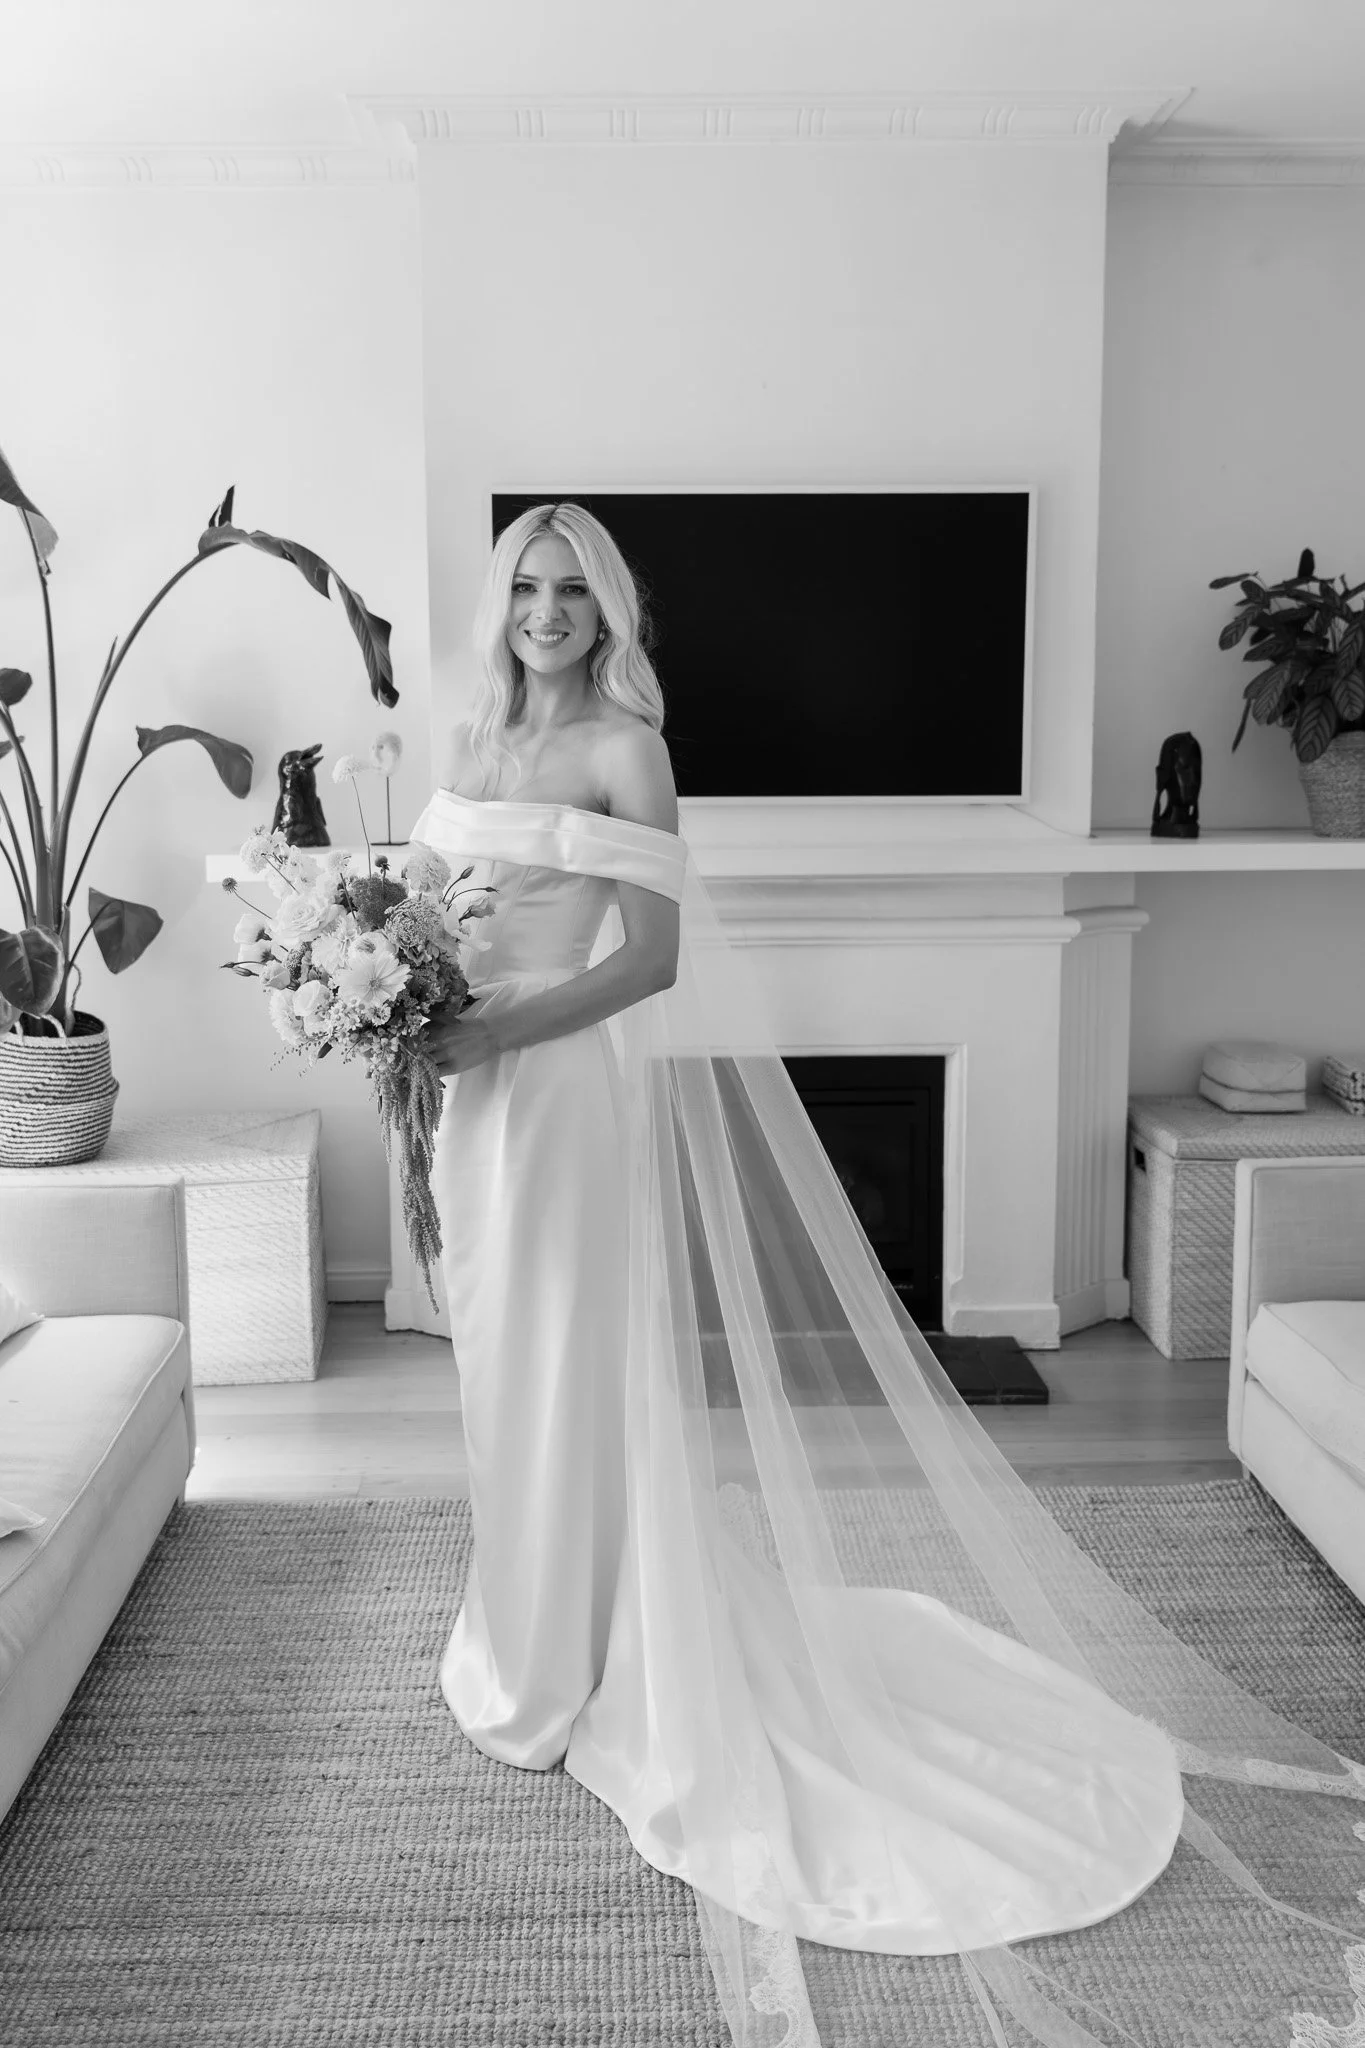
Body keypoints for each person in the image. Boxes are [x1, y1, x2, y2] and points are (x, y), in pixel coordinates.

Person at [406, 503, 1365, 2048]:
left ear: (612, 609)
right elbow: (426, 918)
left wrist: (492, 1032)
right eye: (527, 586)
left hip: (556, 1095)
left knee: (570, 1360)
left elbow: (649, 961)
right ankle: (523, 1628)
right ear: (499, 600)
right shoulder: (472, 737)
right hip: (468, 1102)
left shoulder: (626, 749)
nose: (547, 612)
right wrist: (398, 1023)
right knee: (498, 1366)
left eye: (574, 590)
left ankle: (590, 1653)